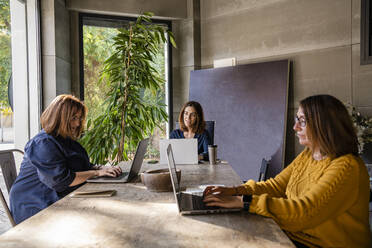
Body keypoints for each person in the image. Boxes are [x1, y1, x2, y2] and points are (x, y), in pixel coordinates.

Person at [203, 95, 371, 248]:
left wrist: (245, 202)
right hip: (292, 237)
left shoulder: (348, 168)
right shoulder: (308, 155)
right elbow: (275, 186)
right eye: (296, 119)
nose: (295, 127)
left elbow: (305, 213)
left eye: (302, 121)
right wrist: (234, 191)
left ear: (324, 125)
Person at [10, 94, 122, 224]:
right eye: (73, 118)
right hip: (35, 205)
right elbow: (61, 180)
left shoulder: (66, 140)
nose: (78, 123)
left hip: (59, 198)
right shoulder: (43, 143)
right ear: (59, 117)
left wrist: (100, 168)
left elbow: (79, 165)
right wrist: (96, 173)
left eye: (80, 118)